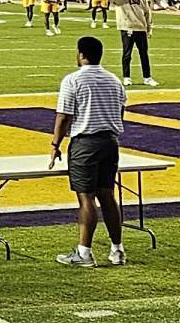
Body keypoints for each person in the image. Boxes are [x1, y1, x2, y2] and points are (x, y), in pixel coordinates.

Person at [49, 35, 127, 267]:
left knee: (86, 198)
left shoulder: (73, 80)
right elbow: (120, 112)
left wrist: (55, 144)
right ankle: (117, 250)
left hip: (86, 143)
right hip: (110, 141)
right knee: (108, 195)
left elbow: (64, 116)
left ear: (81, 54)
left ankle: (84, 252)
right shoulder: (114, 80)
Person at [104, 0, 158, 87]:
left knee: (144, 55)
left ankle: (147, 78)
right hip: (127, 28)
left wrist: (149, 28)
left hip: (141, 28)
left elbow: (147, 13)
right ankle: (127, 77)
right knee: (127, 54)